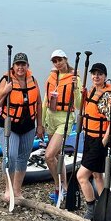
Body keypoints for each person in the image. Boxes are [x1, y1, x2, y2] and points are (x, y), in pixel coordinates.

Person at [0, 52, 44, 202]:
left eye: (23, 64)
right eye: (17, 64)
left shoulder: (33, 80)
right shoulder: (6, 80)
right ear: (13, 66)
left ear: (27, 66)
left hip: (28, 125)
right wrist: (4, 91)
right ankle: (8, 189)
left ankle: (17, 190)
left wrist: (39, 125)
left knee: (23, 158)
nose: (20, 67)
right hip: (9, 125)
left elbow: (38, 103)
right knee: (10, 156)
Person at [43, 50, 82, 205]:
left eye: (60, 60)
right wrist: (40, 123)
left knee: (49, 155)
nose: (57, 63)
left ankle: (59, 187)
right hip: (50, 118)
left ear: (66, 59)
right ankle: (63, 186)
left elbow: (79, 104)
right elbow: (46, 100)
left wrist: (75, 89)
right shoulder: (52, 76)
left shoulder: (74, 78)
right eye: (55, 61)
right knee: (57, 155)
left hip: (64, 119)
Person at [76, 62, 111, 221]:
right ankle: (102, 207)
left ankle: (91, 208)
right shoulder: (91, 91)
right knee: (97, 175)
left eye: (99, 74)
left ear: (105, 76)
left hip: (99, 140)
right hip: (89, 138)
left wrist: (104, 141)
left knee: (81, 176)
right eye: (94, 74)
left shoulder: (106, 96)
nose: (96, 76)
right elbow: (81, 108)